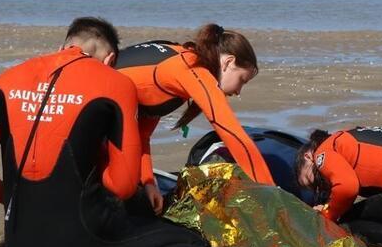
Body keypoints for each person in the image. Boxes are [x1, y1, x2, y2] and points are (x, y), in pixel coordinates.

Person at [0, 17, 220, 247]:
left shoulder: (8, 78)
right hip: (80, 239)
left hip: (19, 243)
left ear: (63, 46)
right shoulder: (115, 83)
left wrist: (17, 201)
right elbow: (123, 185)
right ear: (110, 58)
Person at [115, 23, 274, 217]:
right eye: (242, 80)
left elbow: (142, 134)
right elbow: (233, 135)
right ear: (228, 62)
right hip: (83, 110)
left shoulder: (182, 58)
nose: (238, 91)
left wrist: (149, 182)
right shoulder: (192, 70)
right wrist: (271, 196)